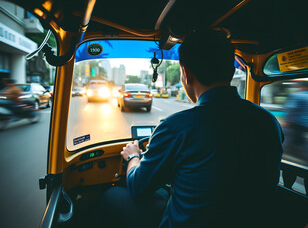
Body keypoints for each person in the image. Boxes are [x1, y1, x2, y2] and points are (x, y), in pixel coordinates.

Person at [101, 28, 284, 228]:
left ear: (186, 74)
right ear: (231, 71)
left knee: (112, 195)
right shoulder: (269, 121)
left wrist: (133, 157)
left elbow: (138, 187)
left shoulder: (176, 127)